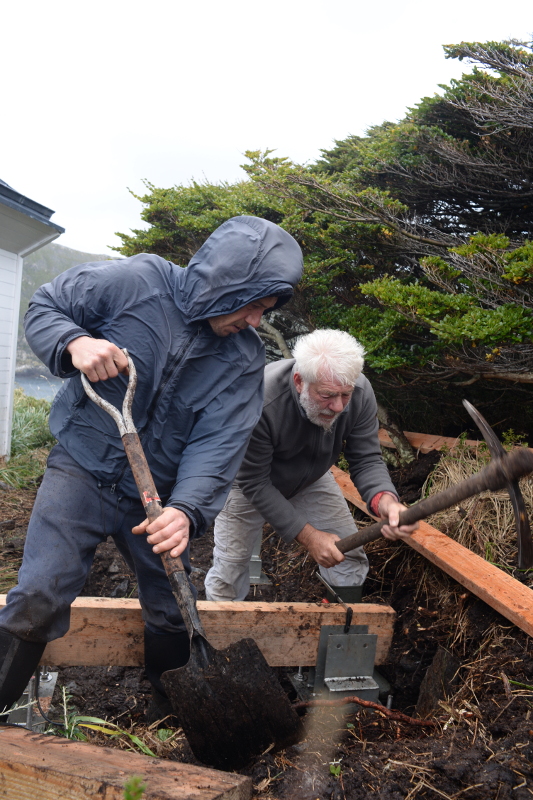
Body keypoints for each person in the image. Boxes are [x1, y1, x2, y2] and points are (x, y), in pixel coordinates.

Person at [0, 215, 303, 721]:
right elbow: (47, 305)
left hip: (159, 497)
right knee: (39, 592)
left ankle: (172, 717)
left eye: (266, 311)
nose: (256, 321)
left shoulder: (244, 360)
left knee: (172, 604)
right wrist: (74, 342)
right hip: (82, 465)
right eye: (255, 305)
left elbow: (218, 444)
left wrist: (185, 511)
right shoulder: (136, 282)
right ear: (229, 283)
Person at [205, 328, 418, 603]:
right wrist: (310, 537)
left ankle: (339, 634)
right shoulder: (260, 399)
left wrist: (387, 503)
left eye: (345, 395)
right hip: (245, 482)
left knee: (347, 553)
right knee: (231, 567)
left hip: (311, 478)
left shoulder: (360, 391)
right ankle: (216, 638)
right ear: (298, 381)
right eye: (327, 395)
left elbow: (365, 459)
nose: (339, 406)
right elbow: (255, 482)